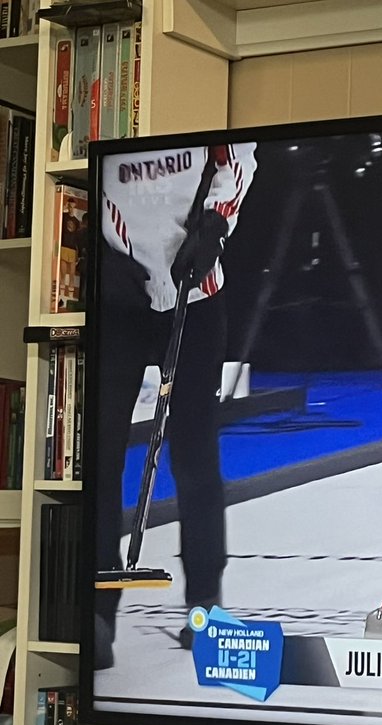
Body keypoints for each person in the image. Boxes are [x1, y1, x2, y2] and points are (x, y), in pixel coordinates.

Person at [93, 143, 258, 669]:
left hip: (197, 289)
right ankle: (96, 611)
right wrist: (94, 253)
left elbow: (239, 157)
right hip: (117, 290)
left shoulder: (199, 104)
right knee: (98, 454)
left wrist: (218, 221)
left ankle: (205, 604)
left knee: (194, 453)